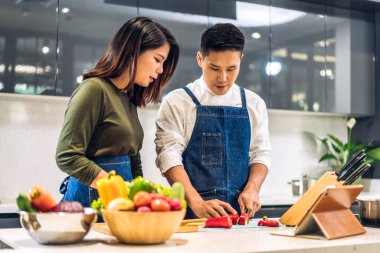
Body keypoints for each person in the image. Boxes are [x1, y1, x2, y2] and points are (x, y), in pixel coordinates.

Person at [56, 17, 179, 207]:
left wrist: (142, 197)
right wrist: (114, 187)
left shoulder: (127, 98)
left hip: (119, 203)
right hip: (87, 203)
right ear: (133, 51)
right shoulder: (94, 89)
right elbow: (67, 156)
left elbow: (133, 158)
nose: (161, 70)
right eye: (157, 59)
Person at [155, 23, 271, 219]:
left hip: (240, 218)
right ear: (200, 59)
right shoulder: (177, 102)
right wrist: (196, 201)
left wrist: (253, 188)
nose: (223, 78)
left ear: (241, 60)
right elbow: (168, 155)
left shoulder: (254, 103)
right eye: (214, 68)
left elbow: (261, 153)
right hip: (192, 215)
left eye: (231, 68)